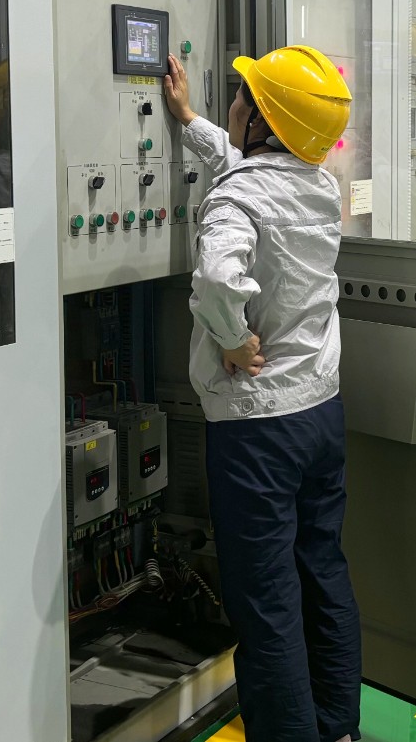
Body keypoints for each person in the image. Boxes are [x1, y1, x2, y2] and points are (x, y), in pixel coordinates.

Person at [162, 46, 362, 742]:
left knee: (267, 601)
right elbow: (244, 165)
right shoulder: (318, 184)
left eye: (244, 97)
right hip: (320, 416)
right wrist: (189, 120)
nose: (234, 104)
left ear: (263, 120)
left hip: (258, 429)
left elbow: (218, 278)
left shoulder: (237, 198)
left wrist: (232, 337)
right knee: (322, 572)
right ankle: (337, 727)